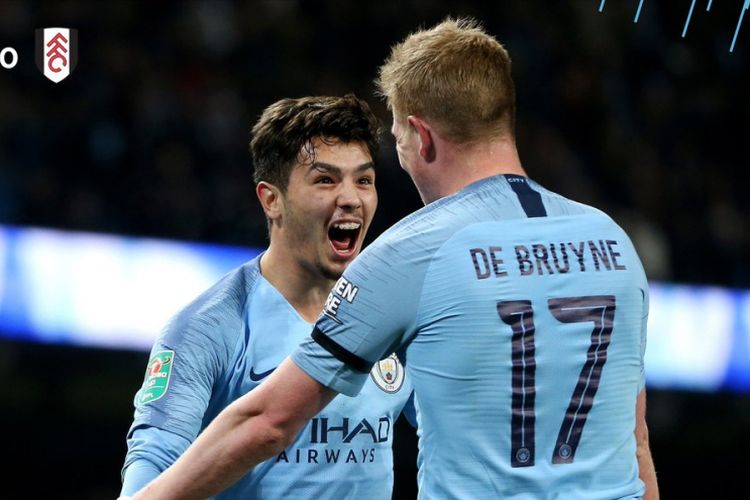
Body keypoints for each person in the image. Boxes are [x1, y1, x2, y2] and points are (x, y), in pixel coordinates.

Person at [128, 18, 658, 500]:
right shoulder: (614, 243)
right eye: (325, 179)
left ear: (421, 137)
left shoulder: (410, 254)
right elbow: (636, 446)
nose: (354, 196)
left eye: (374, 169)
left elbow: (268, 422)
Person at [119, 95, 413, 500]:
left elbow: (458, 429)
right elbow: (155, 462)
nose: (351, 198)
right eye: (325, 180)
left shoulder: (395, 316)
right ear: (271, 200)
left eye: (363, 180)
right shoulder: (209, 326)